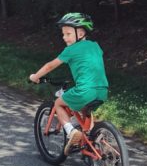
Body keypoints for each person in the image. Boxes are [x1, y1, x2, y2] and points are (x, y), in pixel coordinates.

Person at [29, 12, 109, 156]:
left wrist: (35, 76)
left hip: (85, 90)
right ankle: (91, 140)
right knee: (85, 110)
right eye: (63, 34)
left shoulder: (70, 50)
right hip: (102, 90)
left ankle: (71, 132)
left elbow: (49, 66)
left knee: (59, 103)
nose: (64, 38)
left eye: (68, 34)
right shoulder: (95, 46)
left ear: (81, 33)